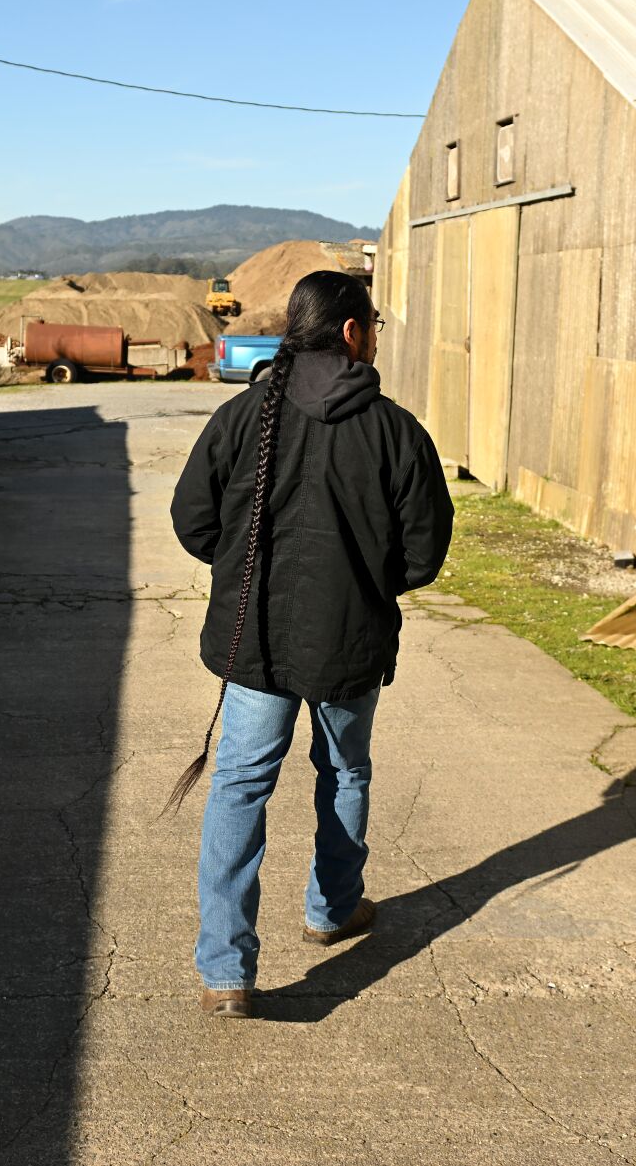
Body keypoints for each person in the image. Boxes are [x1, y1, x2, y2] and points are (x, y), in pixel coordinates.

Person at [168, 269, 454, 1019]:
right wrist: (364, 583)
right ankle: (332, 911)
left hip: (254, 642)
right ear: (354, 333)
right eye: (376, 327)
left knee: (239, 784)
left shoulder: (242, 415)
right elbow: (423, 555)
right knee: (345, 771)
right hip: (350, 646)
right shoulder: (396, 430)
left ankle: (227, 970)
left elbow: (193, 521)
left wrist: (240, 566)